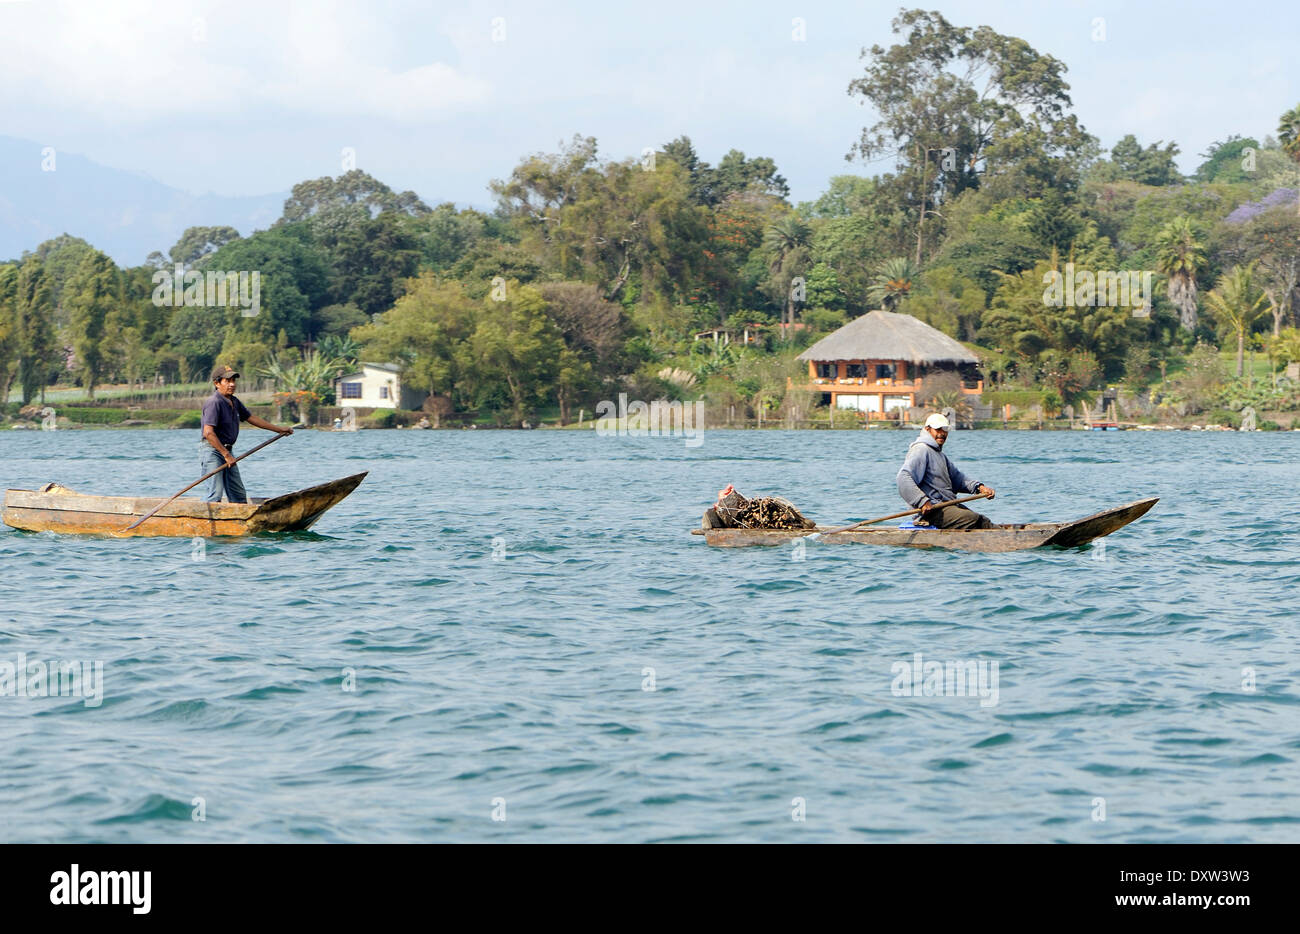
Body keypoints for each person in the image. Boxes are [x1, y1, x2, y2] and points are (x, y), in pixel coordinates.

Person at [200, 365, 294, 503]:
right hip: (213, 451)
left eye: (234, 380)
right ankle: (206, 522)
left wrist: (279, 429)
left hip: (227, 451)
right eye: (227, 381)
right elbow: (208, 433)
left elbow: (251, 418)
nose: (232, 384)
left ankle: (239, 520)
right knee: (214, 494)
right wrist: (225, 455)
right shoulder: (214, 403)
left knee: (238, 494)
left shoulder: (234, 401)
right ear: (217, 383)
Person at [896, 412, 996, 529]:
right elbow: (903, 478)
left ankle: (1006, 539)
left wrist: (979, 487)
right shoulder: (921, 449)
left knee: (983, 521)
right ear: (927, 429)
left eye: (945, 430)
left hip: (948, 506)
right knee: (972, 518)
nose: (942, 434)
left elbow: (958, 479)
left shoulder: (940, 455)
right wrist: (922, 502)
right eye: (938, 430)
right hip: (931, 512)